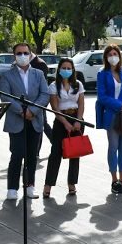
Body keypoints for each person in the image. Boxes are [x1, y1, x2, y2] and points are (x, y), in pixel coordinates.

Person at [0, 43, 50, 200]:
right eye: (19, 53)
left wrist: (32, 111)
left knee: (32, 155)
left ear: (30, 54)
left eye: (25, 53)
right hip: (16, 119)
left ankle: (30, 186)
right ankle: (12, 188)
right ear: (14, 55)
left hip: (35, 119)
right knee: (17, 154)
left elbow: (45, 94)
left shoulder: (38, 74)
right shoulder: (7, 75)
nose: (22, 56)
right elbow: (5, 96)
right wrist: (21, 111)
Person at [96, 45, 122, 194]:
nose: (113, 56)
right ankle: (114, 181)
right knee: (113, 147)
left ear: (119, 56)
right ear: (106, 57)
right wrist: (121, 105)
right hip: (112, 115)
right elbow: (102, 96)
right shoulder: (102, 73)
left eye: (115, 53)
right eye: (110, 54)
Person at [43, 58, 85, 198]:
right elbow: (55, 108)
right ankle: (48, 185)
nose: (66, 70)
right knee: (56, 153)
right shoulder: (54, 86)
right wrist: (65, 123)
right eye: (64, 68)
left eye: (69, 68)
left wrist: (78, 121)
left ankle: (72, 183)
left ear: (73, 70)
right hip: (61, 121)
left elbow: (81, 104)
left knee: (75, 153)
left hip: (76, 120)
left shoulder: (78, 84)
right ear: (59, 69)